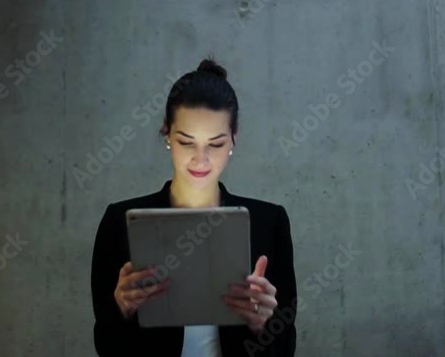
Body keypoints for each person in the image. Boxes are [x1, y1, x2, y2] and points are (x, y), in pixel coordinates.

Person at [90, 57, 298, 356]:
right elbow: (107, 347)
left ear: (233, 140)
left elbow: (285, 347)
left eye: (215, 144)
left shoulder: (269, 223)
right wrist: (121, 310)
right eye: (186, 142)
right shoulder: (120, 223)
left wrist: (263, 325)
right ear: (167, 135)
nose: (200, 159)